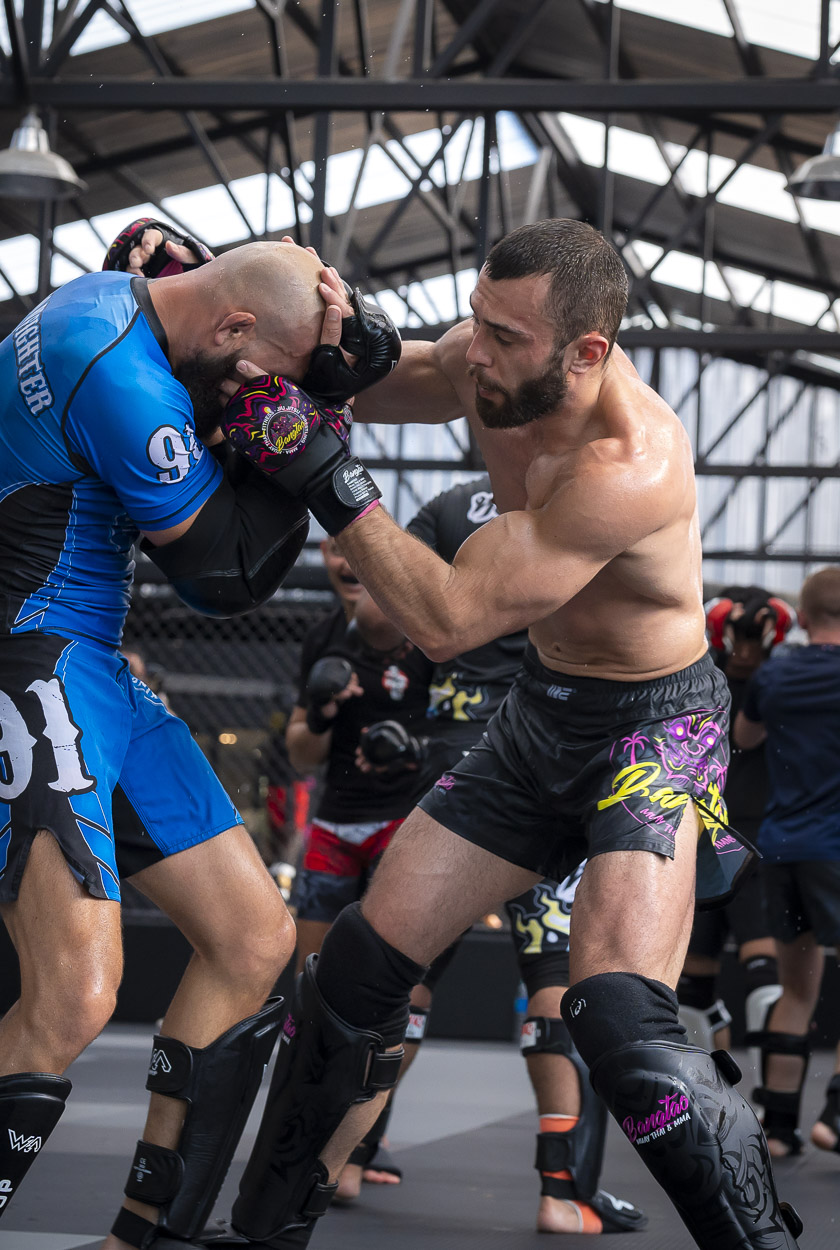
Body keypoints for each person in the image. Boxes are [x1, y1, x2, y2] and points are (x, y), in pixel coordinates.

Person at [196, 218, 802, 1249]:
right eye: (476, 318)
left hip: (653, 730)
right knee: (353, 969)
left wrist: (326, 473)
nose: (474, 349)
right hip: (538, 714)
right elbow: (379, 380)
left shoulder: (629, 465)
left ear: (587, 351)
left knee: (619, 1018)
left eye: (505, 335)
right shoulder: (485, 359)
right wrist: (255, 338)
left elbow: (446, 619)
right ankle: (263, 1232)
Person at [0, 235, 402, 1250]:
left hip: (89, 664)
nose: (264, 396)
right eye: (267, 373)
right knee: (73, 994)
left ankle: (144, 1237)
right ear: (231, 323)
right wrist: (314, 433)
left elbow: (250, 403)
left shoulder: (134, 310)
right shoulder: (119, 377)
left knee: (253, 939)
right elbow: (226, 576)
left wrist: (324, 387)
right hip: (13, 654)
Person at [351, 475, 645, 1234]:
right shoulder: (592, 494)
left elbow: (377, 608)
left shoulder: (450, 507)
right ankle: (561, 1193)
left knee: (406, 971)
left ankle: (346, 1157)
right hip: (544, 755)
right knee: (552, 971)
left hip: (454, 764)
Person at [286, 536, 433, 1198]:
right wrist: (322, 712)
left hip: (406, 825)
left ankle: (363, 1136)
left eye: (356, 549)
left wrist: (414, 750)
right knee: (313, 984)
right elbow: (300, 752)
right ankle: (300, 1132)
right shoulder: (323, 638)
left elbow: (470, 732)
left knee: (397, 985)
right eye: (333, 550)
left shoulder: (434, 636)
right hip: (334, 824)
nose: (346, 562)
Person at [734, 566, 840, 1162]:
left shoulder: (775, 673)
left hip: (781, 846)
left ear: (802, 617)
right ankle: (836, 1115)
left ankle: (777, 1128)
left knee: (797, 988)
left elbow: (745, 738)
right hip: (835, 848)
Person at [676, 587, 795, 1054]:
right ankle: (706, 1090)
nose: (744, 651)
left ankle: (775, 1091)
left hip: (758, 834)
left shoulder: (782, 682)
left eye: (753, 640)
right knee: (692, 991)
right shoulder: (699, 679)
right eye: (736, 639)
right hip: (705, 832)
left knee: (765, 977)